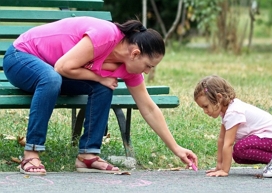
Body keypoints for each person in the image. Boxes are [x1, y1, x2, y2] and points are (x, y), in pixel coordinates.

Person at [3, 16, 198, 175]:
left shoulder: (130, 68)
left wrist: (176, 148)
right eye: (148, 66)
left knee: (104, 86)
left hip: (55, 73)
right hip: (22, 57)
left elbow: (148, 108)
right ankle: (31, 153)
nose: (147, 72)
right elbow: (62, 67)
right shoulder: (105, 36)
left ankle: (88, 156)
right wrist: (100, 77)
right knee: (57, 78)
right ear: (136, 53)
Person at [193, 75, 272, 178]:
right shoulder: (226, 112)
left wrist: (224, 171)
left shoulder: (233, 112)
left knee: (239, 148)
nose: (205, 111)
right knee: (237, 155)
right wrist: (219, 166)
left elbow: (228, 143)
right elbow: (221, 139)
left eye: (206, 106)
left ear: (219, 98)